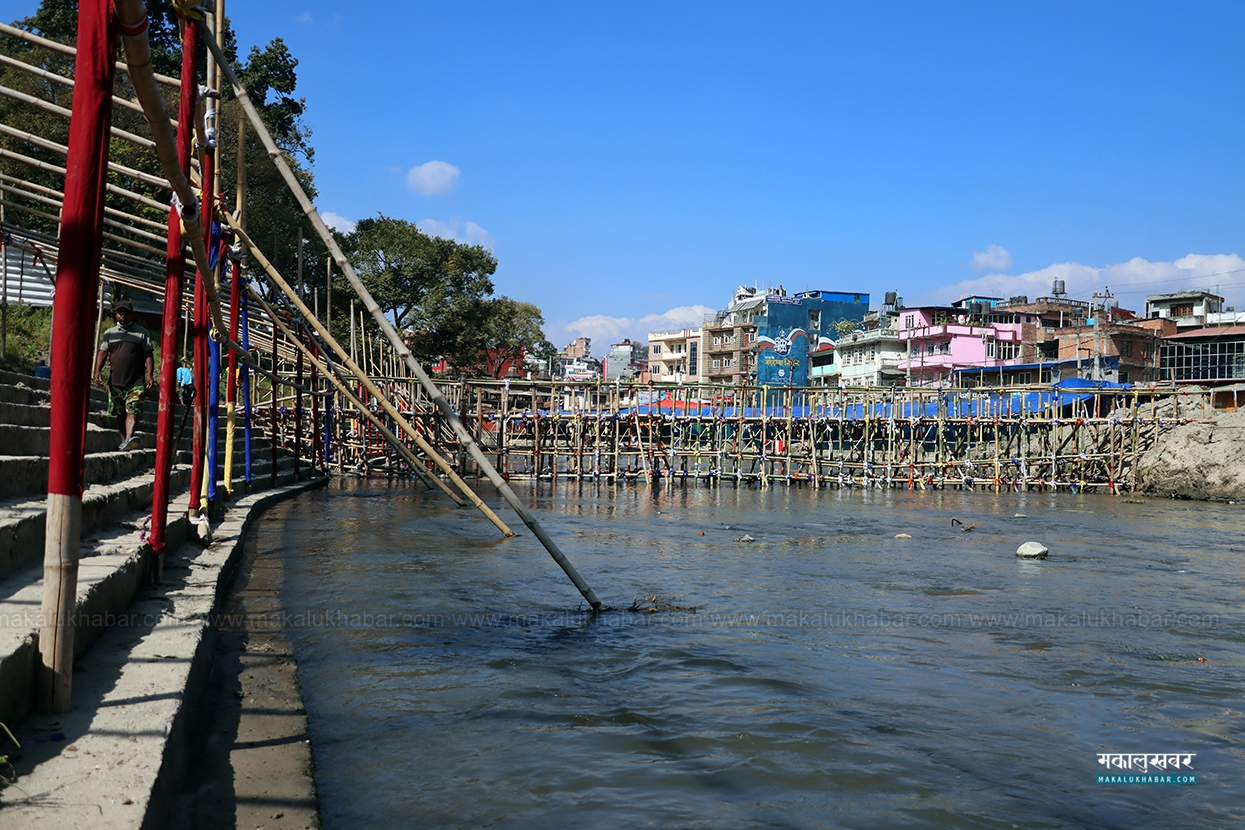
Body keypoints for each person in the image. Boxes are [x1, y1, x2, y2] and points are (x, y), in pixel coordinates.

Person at [93, 299, 154, 450]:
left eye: (126, 313)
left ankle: (128, 437)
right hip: (116, 381)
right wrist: (97, 370)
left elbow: (148, 355)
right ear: (115, 314)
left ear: (131, 314)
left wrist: (150, 374)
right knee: (120, 412)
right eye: (120, 313)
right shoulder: (110, 334)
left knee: (133, 410)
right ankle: (125, 442)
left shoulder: (142, 333)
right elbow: (103, 352)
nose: (123, 316)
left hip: (136, 381)